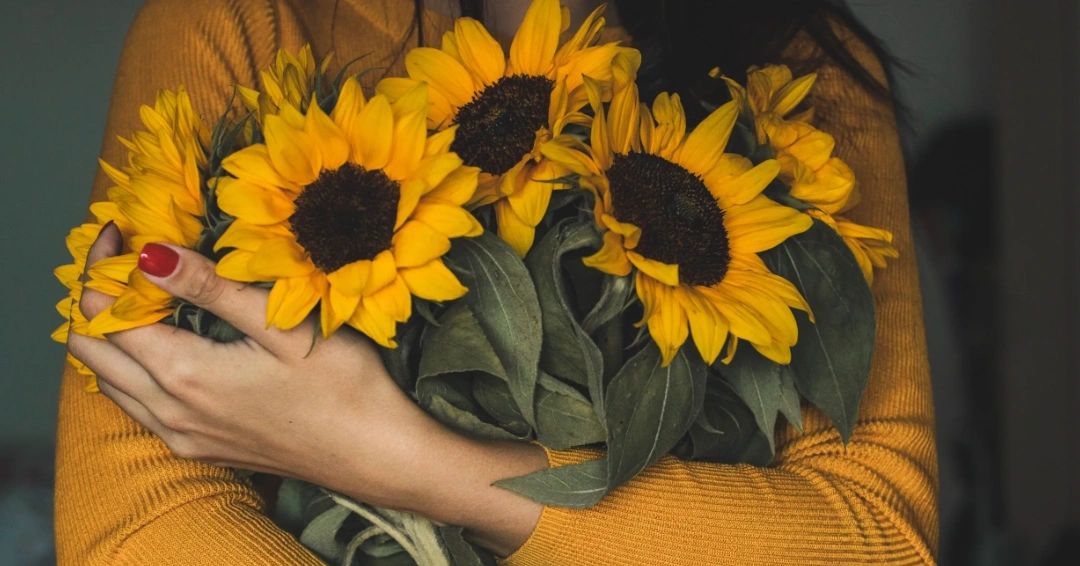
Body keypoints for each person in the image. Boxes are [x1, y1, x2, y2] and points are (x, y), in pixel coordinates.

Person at [57, 0, 938, 564]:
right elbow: (137, 526)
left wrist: (403, 461)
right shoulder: (240, 22)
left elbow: (873, 542)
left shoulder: (794, 62)